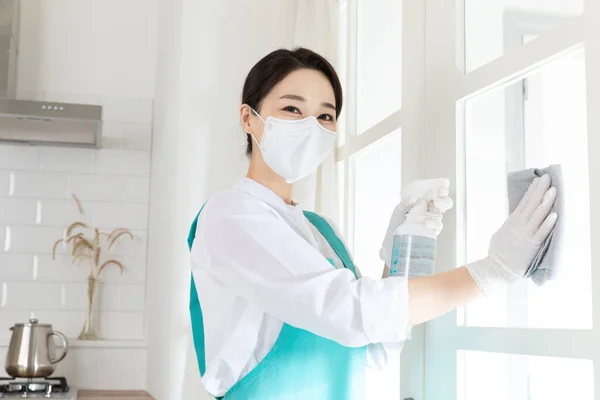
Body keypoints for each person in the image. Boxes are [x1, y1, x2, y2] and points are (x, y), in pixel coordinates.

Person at [188, 48, 557, 400]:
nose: (311, 127)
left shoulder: (320, 229)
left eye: (325, 116)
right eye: (291, 108)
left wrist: (406, 248)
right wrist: (495, 270)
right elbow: (352, 311)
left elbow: (372, 345)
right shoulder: (231, 214)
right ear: (249, 118)